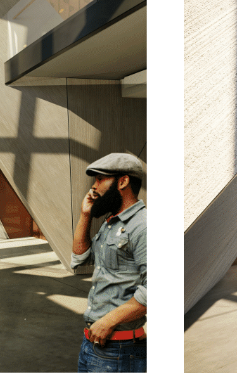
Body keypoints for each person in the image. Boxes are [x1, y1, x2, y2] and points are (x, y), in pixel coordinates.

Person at [70, 153, 146, 372]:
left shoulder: (143, 226)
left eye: (100, 179)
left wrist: (107, 321)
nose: (94, 187)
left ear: (122, 181)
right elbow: (79, 258)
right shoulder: (111, 223)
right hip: (94, 345)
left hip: (119, 349)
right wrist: (86, 215)